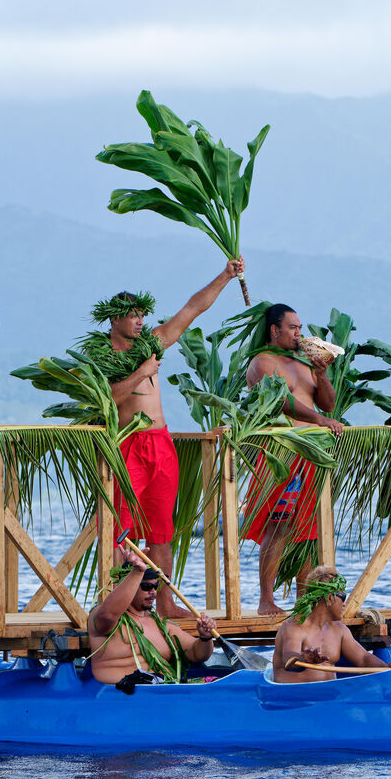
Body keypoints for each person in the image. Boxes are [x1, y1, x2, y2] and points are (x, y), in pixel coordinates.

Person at [82, 258, 245, 620]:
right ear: (114, 319)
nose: (140, 321)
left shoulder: (152, 343)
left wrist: (225, 275)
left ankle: (166, 605)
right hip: (127, 444)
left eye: (142, 314)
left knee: (161, 532)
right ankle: (118, 603)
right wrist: (142, 372)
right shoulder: (102, 355)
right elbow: (109, 399)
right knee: (119, 530)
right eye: (132, 316)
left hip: (161, 443)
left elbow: (191, 310)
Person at [242, 303, 344, 616]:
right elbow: (281, 402)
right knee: (278, 524)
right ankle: (266, 600)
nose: (299, 333)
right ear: (275, 330)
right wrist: (319, 420)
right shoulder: (262, 361)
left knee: (307, 528)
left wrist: (321, 375)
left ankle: (304, 600)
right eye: (292, 328)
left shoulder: (303, 363)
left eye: (300, 327)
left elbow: (327, 404)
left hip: (310, 453)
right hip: (282, 452)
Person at [88, 546, 216, 686]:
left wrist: (205, 637)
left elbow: (197, 654)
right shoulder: (102, 619)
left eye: (156, 586)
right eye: (146, 587)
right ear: (129, 585)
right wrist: (137, 572)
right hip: (119, 693)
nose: (153, 592)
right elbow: (109, 615)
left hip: (165, 689)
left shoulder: (162, 626)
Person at [271, 567, 391, 683]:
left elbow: (363, 659)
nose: (344, 604)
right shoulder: (294, 627)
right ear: (330, 598)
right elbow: (289, 660)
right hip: (296, 695)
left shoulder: (339, 629)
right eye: (343, 597)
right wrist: (305, 659)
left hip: (331, 693)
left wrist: (389, 668)